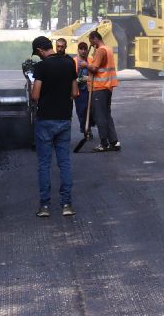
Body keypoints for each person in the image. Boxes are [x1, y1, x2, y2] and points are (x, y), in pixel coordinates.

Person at [30, 35, 79, 217]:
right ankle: (67, 204)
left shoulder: (41, 67)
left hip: (45, 120)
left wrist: (35, 89)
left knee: (44, 164)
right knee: (64, 162)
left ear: (40, 50)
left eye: (37, 53)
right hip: (64, 119)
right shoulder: (69, 63)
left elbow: (35, 96)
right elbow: (75, 92)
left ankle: (45, 206)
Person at [86, 30, 120, 152]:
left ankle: (103, 143)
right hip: (107, 87)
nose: (91, 45)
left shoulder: (101, 50)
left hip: (100, 87)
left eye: (91, 42)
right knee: (106, 115)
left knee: (100, 116)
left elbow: (94, 68)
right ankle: (114, 142)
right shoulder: (108, 49)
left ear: (95, 38)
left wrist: (85, 65)